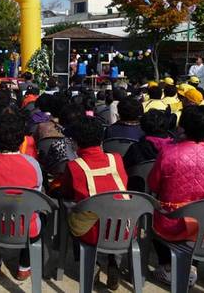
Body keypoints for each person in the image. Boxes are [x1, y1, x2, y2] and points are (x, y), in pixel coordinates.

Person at [149, 106, 204, 286]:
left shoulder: (168, 153)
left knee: (153, 212)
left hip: (171, 222)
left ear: (182, 127)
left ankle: (168, 266)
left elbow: (153, 184)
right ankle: (191, 266)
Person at [0, 112, 43, 281]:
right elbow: (37, 196)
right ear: (22, 139)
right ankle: (24, 266)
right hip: (27, 229)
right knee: (39, 215)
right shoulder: (33, 164)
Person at [61, 116, 128, 290]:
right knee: (115, 214)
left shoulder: (74, 166)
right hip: (124, 227)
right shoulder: (117, 159)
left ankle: (93, 262)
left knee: (72, 213)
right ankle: (114, 262)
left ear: (75, 142)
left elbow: (68, 193)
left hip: (93, 231)